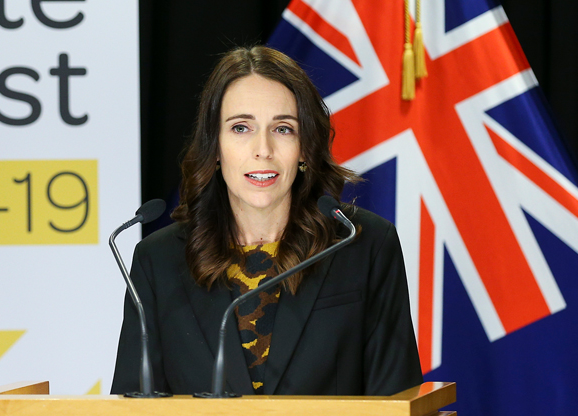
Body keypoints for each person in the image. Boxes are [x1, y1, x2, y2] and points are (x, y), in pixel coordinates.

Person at [111, 46, 422, 396]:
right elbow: (132, 411)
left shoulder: (364, 244)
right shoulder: (159, 260)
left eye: (283, 129)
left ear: (304, 148)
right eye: (241, 128)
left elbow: (398, 403)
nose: (263, 149)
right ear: (215, 147)